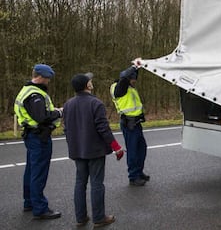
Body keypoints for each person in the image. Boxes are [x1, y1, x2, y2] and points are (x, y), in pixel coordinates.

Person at [63, 73, 124, 228]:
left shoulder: (68, 104)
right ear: (87, 85)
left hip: (77, 150)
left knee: (80, 183)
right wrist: (116, 147)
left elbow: (66, 129)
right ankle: (99, 218)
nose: (91, 82)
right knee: (97, 183)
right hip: (95, 150)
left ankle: (81, 217)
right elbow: (103, 128)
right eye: (90, 81)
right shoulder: (96, 103)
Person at [14, 64, 63, 219]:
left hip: (31, 135)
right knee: (38, 173)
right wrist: (59, 112)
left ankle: (29, 202)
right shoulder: (35, 94)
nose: (49, 81)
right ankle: (40, 208)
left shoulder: (26, 90)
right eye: (48, 79)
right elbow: (41, 117)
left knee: (31, 170)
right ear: (41, 77)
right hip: (39, 137)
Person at [110, 58, 149, 186]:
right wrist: (135, 66)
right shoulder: (119, 87)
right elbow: (125, 77)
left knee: (141, 148)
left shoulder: (130, 88)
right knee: (133, 150)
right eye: (133, 79)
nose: (134, 81)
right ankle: (133, 176)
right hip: (129, 124)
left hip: (136, 123)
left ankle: (139, 171)